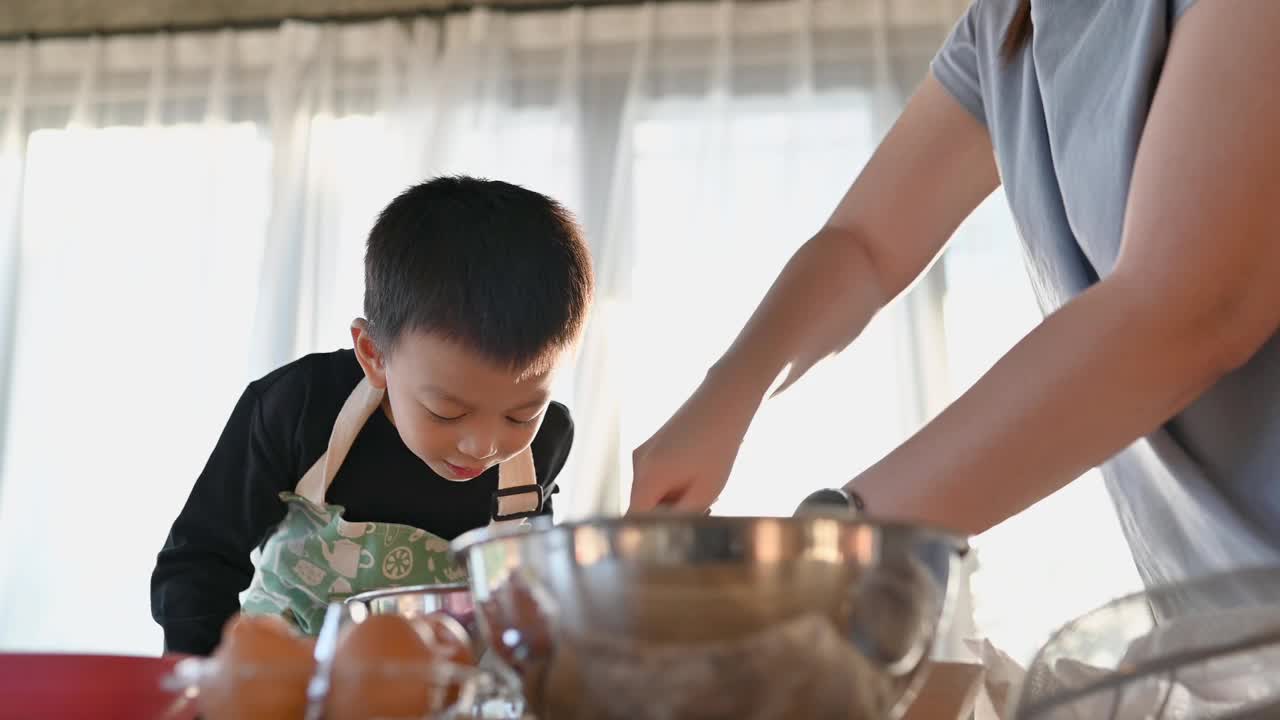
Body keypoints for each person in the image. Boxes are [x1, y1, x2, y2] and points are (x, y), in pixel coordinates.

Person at [630, 0, 1280, 614]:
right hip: (1224, 641)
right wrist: (721, 401)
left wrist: (836, 542)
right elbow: (865, 245)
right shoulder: (1003, 25)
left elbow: (1189, 309)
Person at [152, 176, 594, 655]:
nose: (482, 445)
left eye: (520, 415)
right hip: (289, 690)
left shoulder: (548, 441)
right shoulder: (299, 408)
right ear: (374, 354)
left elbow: (530, 591)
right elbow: (198, 561)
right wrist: (212, 687)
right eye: (447, 411)